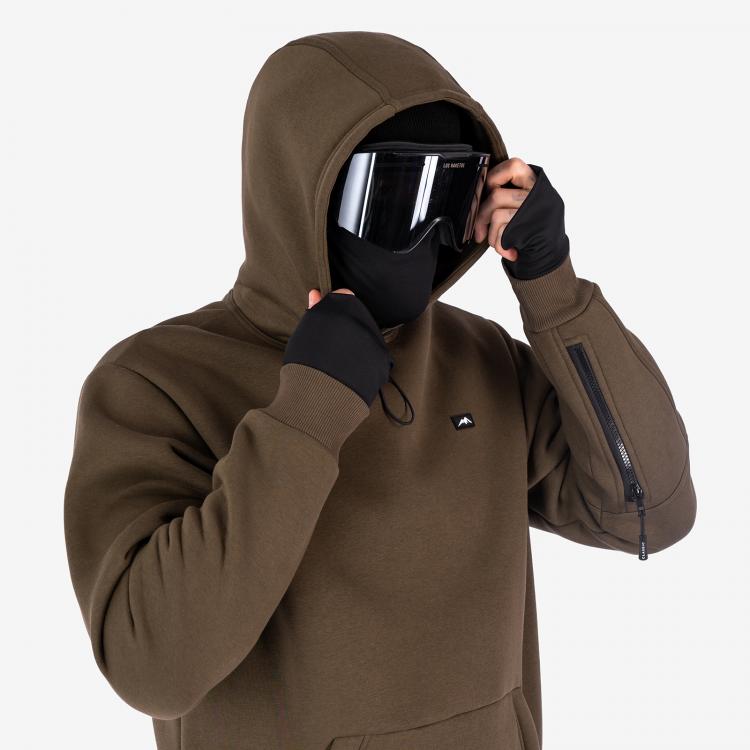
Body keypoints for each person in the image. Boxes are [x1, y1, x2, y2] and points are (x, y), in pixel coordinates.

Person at [64, 31, 697, 750]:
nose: (429, 231)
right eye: (395, 196)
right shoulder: (158, 383)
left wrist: (552, 289)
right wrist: (308, 412)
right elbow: (154, 666)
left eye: (454, 193)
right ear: (302, 194)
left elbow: (652, 510)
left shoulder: (478, 357)